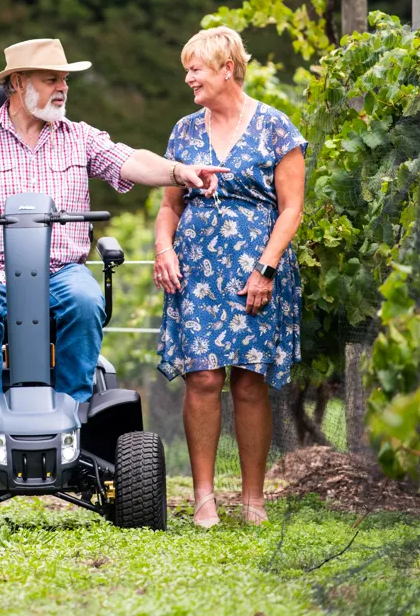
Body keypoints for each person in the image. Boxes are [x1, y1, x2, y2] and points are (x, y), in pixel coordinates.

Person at [0, 38, 227, 407]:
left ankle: (72, 411)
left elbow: (130, 160)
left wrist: (178, 171)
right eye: (50, 79)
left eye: (64, 79)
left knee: (87, 300)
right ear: (18, 83)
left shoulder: (79, 137)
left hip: (61, 271)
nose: (62, 88)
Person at [153, 27, 306, 528]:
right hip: (196, 270)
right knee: (202, 378)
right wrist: (162, 249)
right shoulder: (183, 131)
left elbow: (291, 209)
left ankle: (253, 499)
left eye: (196, 67)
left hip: (254, 269)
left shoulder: (276, 128)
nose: (188, 76)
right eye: (187, 67)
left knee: (248, 382)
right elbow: (169, 207)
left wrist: (266, 267)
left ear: (227, 69)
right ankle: (203, 498)